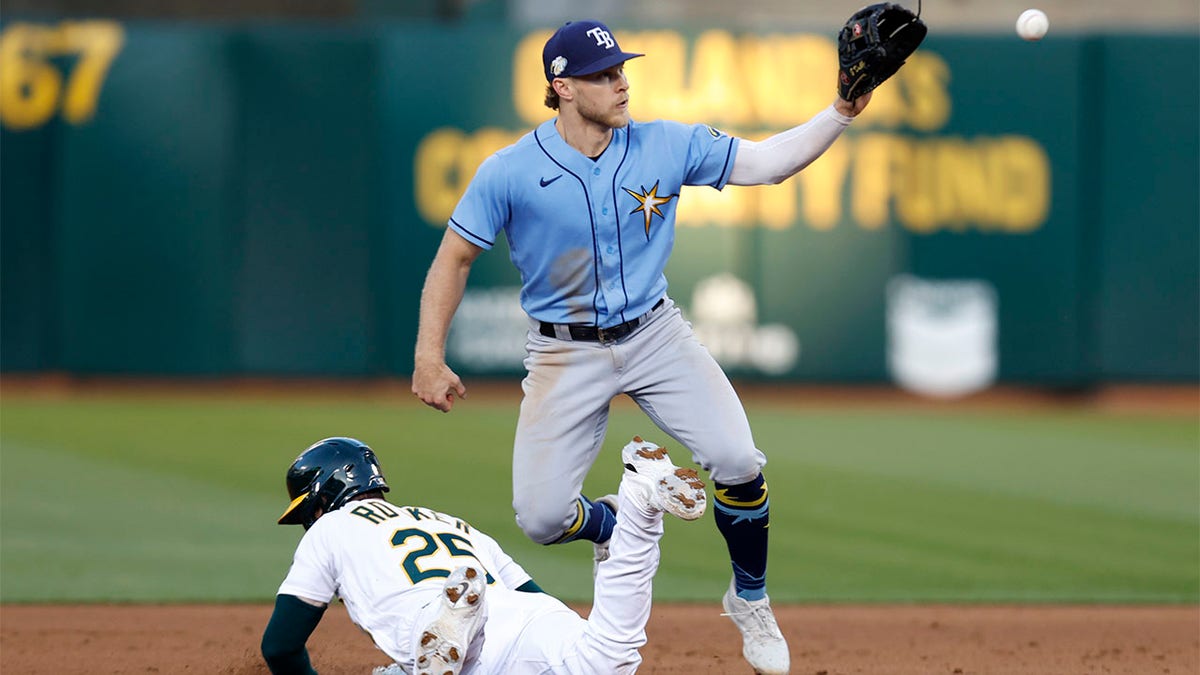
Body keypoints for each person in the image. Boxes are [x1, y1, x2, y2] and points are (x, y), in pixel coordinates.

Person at [412, 18, 875, 675]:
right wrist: (429, 354)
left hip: (655, 333)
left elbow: (770, 164)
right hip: (563, 352)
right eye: (603, 74)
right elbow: (453, 257)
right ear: (562, 86)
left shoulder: (665, 144)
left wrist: (842, 111)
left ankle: (749, 598)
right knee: (541, 517)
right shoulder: (509, 170)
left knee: (737, 458)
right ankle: (619, 522)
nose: (621, 82)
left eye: (622, 68)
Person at [260, 434, 707, 675]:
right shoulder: (449, 521)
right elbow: (537, 597)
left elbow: (280, 647)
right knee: (608, 659)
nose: (309, 520)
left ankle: (446, 632)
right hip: (532, 614)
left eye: (309, 510)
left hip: (434, 624)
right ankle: (640, 503)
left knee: (432, 648)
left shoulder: (331, 529)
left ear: (325, 496)